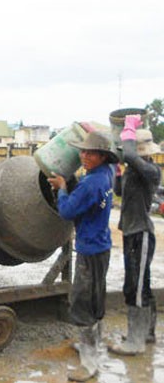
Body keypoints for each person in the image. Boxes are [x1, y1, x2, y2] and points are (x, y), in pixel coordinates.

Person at [48, 130, 118, 382]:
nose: (84, 156)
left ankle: (89, 363)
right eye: (83, 151)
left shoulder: (90, 183)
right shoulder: (107, 174)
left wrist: (63, 188)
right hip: (102, 246)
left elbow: (66, 211)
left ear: (102, 156)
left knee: (81, 301)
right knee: (96, 297)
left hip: (89, 249)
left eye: (90, 153)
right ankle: (93, 346)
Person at [109, 115, 162, 356]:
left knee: (135, 288)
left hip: (141, 235)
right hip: (131, 234)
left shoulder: (151, 170)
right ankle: (147, 333)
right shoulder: (133, 170)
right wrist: (118, 170)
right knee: (141, 285)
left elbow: (130, 155)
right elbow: (119, 191)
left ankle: (135, 341)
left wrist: (128, 129)